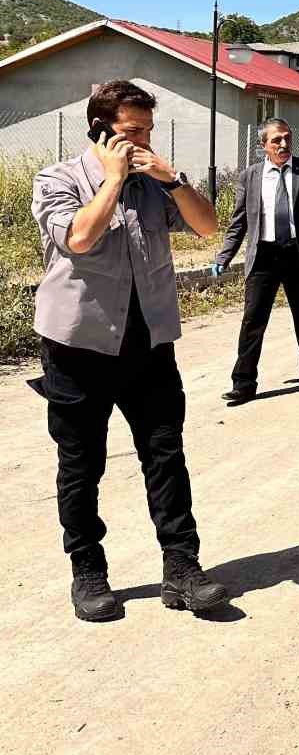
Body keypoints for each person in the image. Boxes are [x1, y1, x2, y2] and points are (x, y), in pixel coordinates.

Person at [29, 80, 228, 621]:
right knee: (81, 464)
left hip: (148, 343)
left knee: (166, 455)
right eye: (130, 131)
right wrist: (113, 180)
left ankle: (182, 567)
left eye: (146, 130)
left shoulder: (152, 185)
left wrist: (173, 179)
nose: (142, 140)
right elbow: (78, 239)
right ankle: (88, 572)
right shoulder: (59, 179)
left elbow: (207, 226)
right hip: (79, 347)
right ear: (99, 128)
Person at [212, 119, 299, 405]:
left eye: (287, 138)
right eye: (276, 140)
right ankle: (243, 383)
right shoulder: (250, 176)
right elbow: (239, 223)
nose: (283, 144)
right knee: (253, 319)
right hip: (264, 256)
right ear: (263, 146)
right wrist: (224, 256)